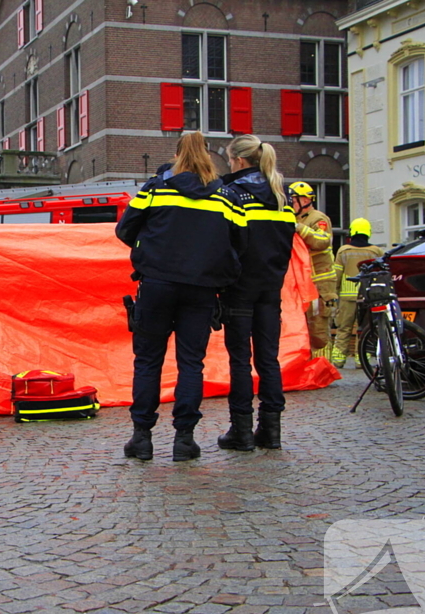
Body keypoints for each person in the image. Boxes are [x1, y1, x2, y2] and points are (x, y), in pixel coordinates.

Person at [115, 132, 248, 462]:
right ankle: (184, 440)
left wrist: (153, 249)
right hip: (201, 289)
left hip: (157, 284)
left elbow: (124, 230)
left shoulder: (154, 189)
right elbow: (241, 242)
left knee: (148, 361)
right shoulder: (226, 196)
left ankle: (142, 438)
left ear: (176, 156)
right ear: (208, 155)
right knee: (191, 363)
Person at [217, 134, 297, 452]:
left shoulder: (232, 193)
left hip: (239, 288)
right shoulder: (281, 194)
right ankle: (271, 431)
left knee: (239, 360)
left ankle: (242, 431)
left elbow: (227, 244)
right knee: (269, 360)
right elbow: (288, 242)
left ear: (237, 160)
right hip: (270, 287)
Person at [289, 182, 337, 355]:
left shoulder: (318, 219)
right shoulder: (295, 218)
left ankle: (322, 369)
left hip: (320, 285)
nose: (292, 204)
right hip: (302, 284)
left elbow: (322, 241)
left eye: (294, 200)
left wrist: (299, 228)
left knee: (318, 330)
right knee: (302, 327)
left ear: (304, 199)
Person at [332, 218, 384, 369]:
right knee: (365, 328)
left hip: (346, 297)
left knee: (343, 328)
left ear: (352, 231)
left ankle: (338, 359)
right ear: (368, 232)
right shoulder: (376, 251)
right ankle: (362, 359)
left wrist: (334, 294)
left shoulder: (343, 250)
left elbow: (337, 275)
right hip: (367, 297)